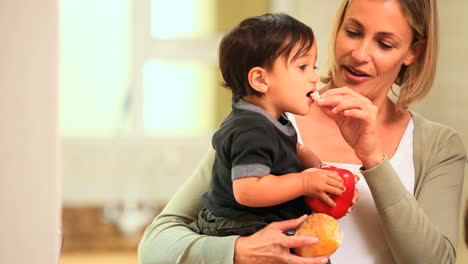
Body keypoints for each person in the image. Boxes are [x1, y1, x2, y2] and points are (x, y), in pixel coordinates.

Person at [138, 0, 467, 263]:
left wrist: (372, 158)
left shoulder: (440, 146)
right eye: (353, 32)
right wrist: (239, 252)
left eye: (384, 43)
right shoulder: (269, 118)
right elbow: (155, 246)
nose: (360, 53)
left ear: (414, 51)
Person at [188, 13, 345, 238]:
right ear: (261, 80)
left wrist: (319, 169)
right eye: (303, 67)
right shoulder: (252, 129)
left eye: (314, 66)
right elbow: (248, 191)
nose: (315, 77)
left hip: (256, 221)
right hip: (240, 225)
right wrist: (304, 182)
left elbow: (293, 150)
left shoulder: (270, 121)